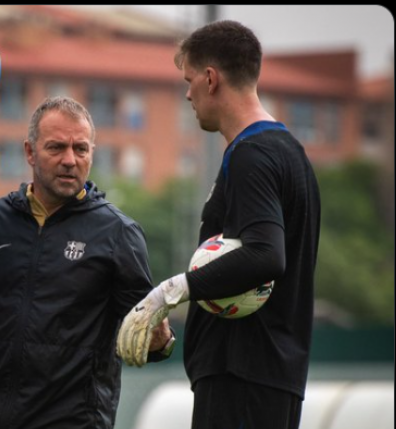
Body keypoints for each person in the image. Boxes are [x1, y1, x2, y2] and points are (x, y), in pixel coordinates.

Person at [117, 20, 321, 429]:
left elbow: (265, 255)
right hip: (269, 377)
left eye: (189, 80)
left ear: (211, 79)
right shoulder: (290, 152)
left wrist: (169, 293)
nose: (188, 94)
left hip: (241, 379)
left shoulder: (251, 155)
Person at [0, 96, 173, 429]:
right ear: (29, 152)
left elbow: (148, 339)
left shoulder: (118, 233)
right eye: (56, 148)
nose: (70, 160)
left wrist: (161, 340)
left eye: (81, 149)